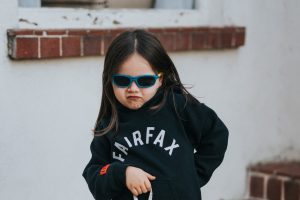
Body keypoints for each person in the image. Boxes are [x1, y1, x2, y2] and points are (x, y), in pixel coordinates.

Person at [82, 29, 229, 200]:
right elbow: (94, 175)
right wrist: (122, 173)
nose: (133, 89)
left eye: (145, 81)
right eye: (123, 81)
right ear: (110, 80)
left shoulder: (178, 106)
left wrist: (190, 177)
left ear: (160, 78)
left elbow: (216, 135)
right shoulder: (109, 124)